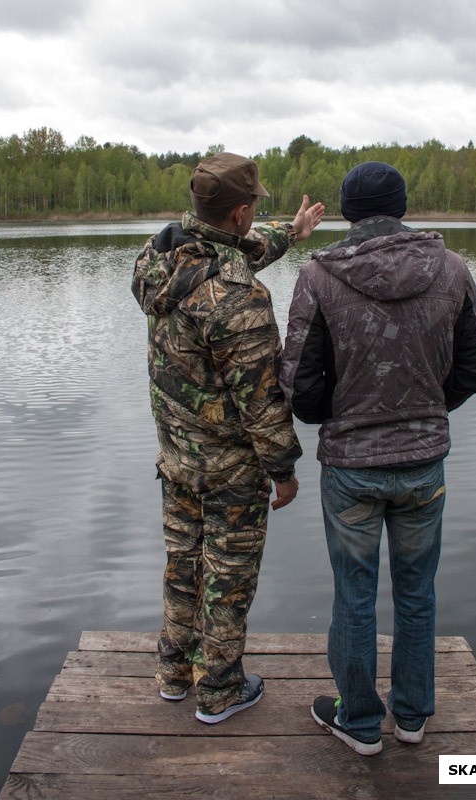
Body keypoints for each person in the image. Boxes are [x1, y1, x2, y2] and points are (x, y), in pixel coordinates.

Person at [280, 162, 476, 755]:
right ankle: (414, 717)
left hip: (351, 467)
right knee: (418, 593)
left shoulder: (319, 276)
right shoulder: (452, 270)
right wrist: (425, 409)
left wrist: (338, 417)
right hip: (423, 462)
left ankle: (361, 723)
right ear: (400, 205)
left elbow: (297, 382)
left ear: (348, 212)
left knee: (355, 595)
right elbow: (475, 370)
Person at [132, 152, 324, 724]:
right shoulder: (239, 298)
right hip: (231, 471)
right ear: (240, 212)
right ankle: (219, 689)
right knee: (228, 577)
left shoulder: (159, 259)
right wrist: (284, 471)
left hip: (176, 459)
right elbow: (262, 402)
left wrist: (292, 233)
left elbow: (237, 257)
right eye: (254, 208)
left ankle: (173, 672)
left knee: (182, 564)